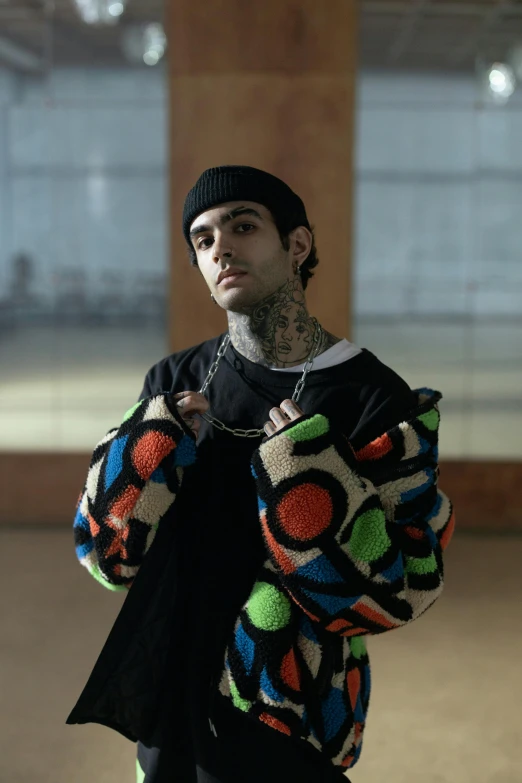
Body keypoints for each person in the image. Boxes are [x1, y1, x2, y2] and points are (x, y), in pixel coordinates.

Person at [67, 165, 455, 783]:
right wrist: (148, 445)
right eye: (203, 239)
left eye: (242, 226)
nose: (221, 246)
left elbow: (402, 589)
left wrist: (305, 474)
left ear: (297, 245)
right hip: (170, 675)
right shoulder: (174, 381)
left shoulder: (373, 395)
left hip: (286, 698)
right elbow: (106, 555)